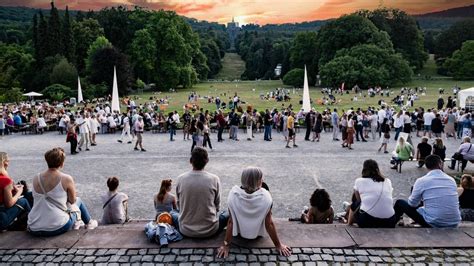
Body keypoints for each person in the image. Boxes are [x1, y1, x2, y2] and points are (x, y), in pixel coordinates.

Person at [217, 167, 291, 258]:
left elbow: (231, 222)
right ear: (258, 181)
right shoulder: (266, 197)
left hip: (240, 235)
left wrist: (226, 245)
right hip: (257, 236)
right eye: (261, 178)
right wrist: (278, 245)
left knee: (226, 215)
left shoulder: (233, 195)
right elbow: (269, 224)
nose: (262, 180)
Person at [28, 148, 98, 236]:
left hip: (34, 226)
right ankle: (89, 222)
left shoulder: (36, 178)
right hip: (57, 225)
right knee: (78, 200)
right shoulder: (66, 178)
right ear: (61, 163)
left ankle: (81, 222)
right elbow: (72, 201)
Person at [174, 147, 228, 238]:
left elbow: (179, 204)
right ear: (207, 161)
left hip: (186, 229)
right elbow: (217, 205)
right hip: (210, 229)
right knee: (227, 213)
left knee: (172, 212)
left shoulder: (181, 179)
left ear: (190, 161)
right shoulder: (214, 179)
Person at [394, 155, 461, 228]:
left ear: (426, 166)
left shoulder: (422, 181)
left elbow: (412, 204)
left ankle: (391, 223)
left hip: (434, 222)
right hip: (454, 222)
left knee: (400, 203)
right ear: (440, 164)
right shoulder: (451, 180)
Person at [347, 160, 397, 228]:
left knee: (355, 203)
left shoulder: (359, 181)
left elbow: (359, 200)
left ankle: (349, 223)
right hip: (390, 222)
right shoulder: (387, 181)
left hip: (368, 221)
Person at [0, 152, 31, 231]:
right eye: (8, 161)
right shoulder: (5, 180)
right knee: (24, 200)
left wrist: (12, 189)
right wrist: (19, 192)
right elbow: (9, 204)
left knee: (27, 195)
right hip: (1, 220)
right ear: (4, 162)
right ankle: (31, 221)